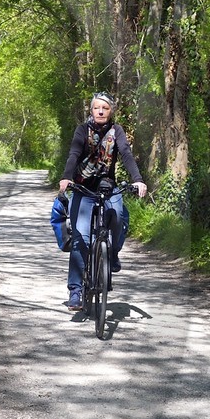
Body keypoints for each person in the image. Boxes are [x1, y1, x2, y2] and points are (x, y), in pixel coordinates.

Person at [56, 92, 147, 311]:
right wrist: (67, 177)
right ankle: (76, 291)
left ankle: (113, 253)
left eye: (105, 108)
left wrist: (138, 180)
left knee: (118, 217)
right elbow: (74, 154)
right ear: (91, 110)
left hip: (108, 187)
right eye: (97, 108)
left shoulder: (117, 131)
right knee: (81, 239)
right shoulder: (82, 130)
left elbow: (125, 153)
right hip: (83, 188)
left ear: (110, 111)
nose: (100, 111)